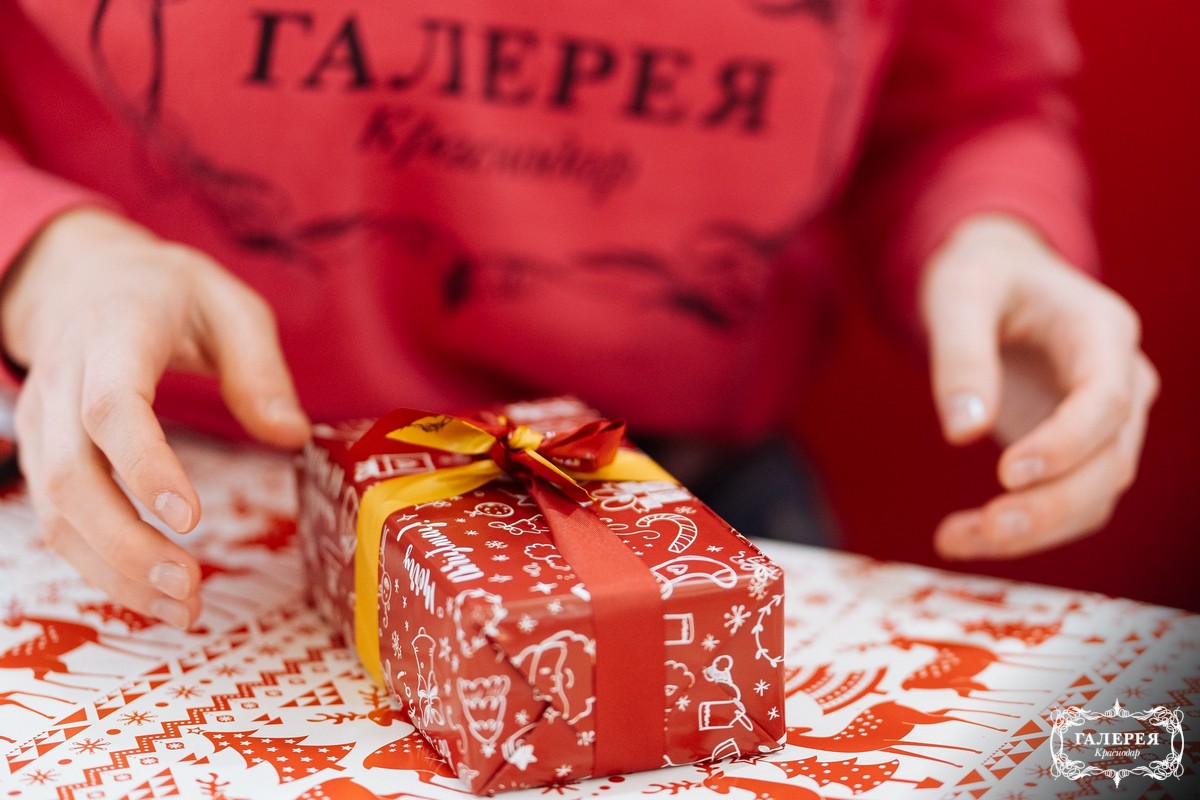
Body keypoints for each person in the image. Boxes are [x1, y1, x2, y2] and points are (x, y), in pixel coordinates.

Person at [0, 0, 1157, 629]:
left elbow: (964, 104)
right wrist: (48, 253)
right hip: (164, 508)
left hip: (685, 510)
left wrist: (992, 236)